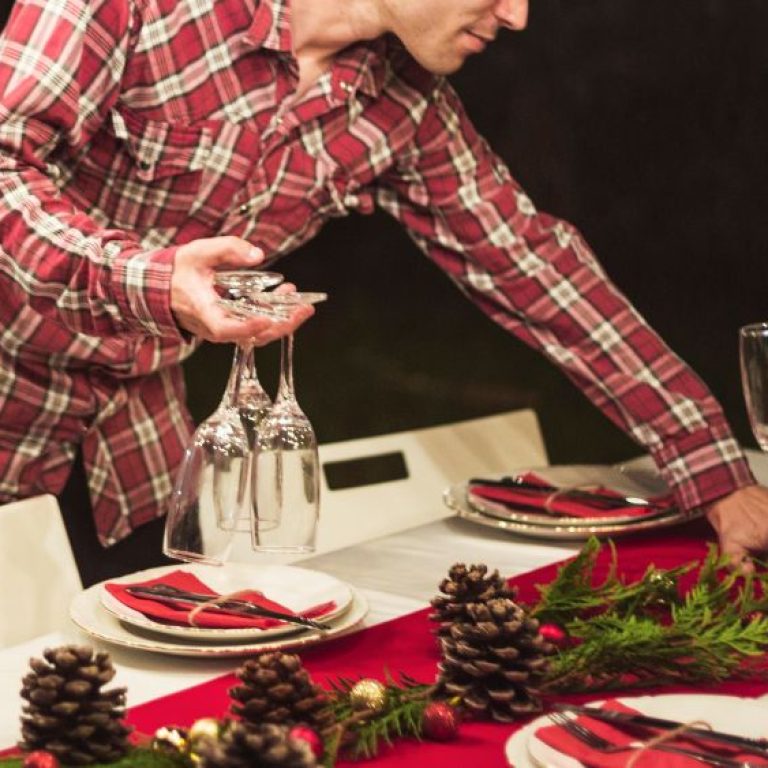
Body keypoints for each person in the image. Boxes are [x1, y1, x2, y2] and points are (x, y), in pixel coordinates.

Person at [0, 0, 766, 582]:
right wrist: (156, 280)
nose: (518, 15)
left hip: (129, 463)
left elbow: (537, 267)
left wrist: (714, 467)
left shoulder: (401, 102)